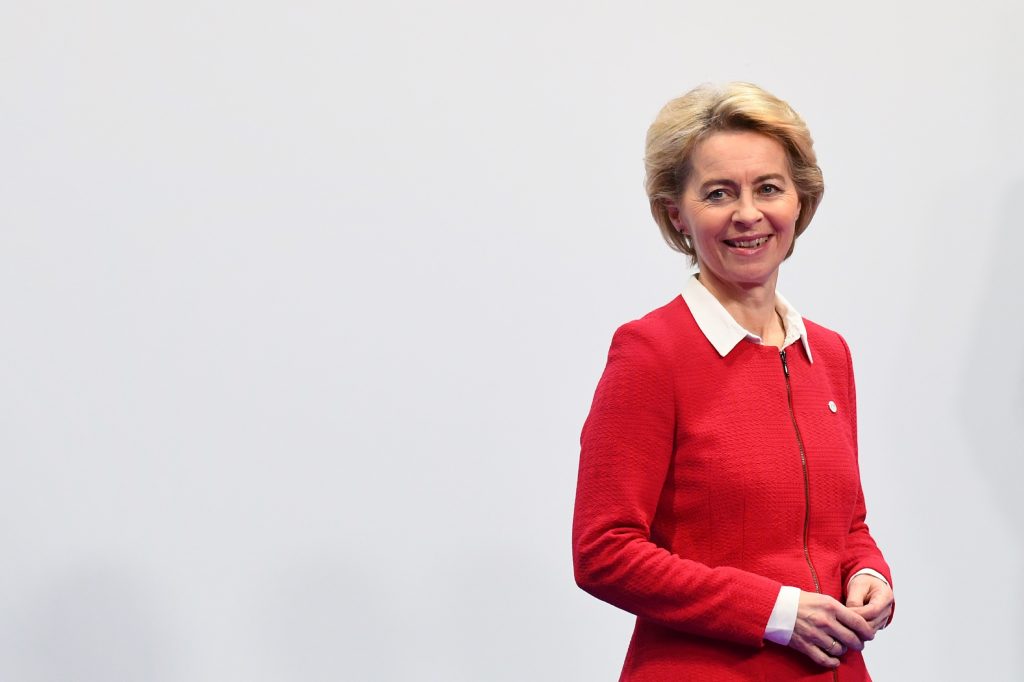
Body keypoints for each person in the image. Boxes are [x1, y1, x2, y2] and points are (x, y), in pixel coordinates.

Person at [572, 82, 894, 681]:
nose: (748, 214)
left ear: (799, 201)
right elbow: (603, 551)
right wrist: (775, 611)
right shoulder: (651, 352)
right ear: (678, 214)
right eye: (719, 193)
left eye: (768, 188)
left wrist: (869, 574)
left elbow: (846, 525)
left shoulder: (829, 354)